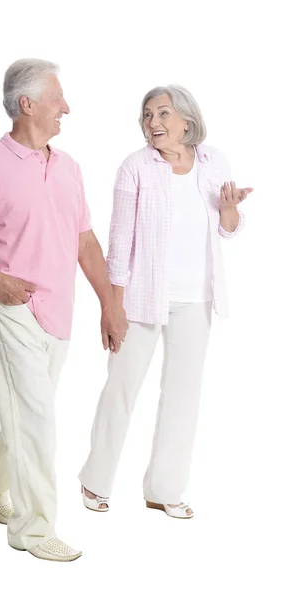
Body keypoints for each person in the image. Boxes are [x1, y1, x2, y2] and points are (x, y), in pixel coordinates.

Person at [0, 58, 127, 562]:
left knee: (26, 413)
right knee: (37, 418)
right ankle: (32, 528)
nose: (66, 107)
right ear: (28, 105)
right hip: (11, 307)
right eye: (57, 98)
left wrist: (109, 304)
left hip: (60, 310)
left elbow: (86, 243)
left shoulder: (68, 168)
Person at [79, 84, 253, 518]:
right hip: (140, 298)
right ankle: (95, 481)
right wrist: (112, 306)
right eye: (147, 115)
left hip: (196, 299)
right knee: (121, 388)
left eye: (163, 114)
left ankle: (164, 488)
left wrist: (230, 211)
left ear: (187, 122)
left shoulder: (215, 163)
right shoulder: (135, 167)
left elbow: (228, 229)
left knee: (183, 395)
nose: (153, 123)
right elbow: (119, 242)